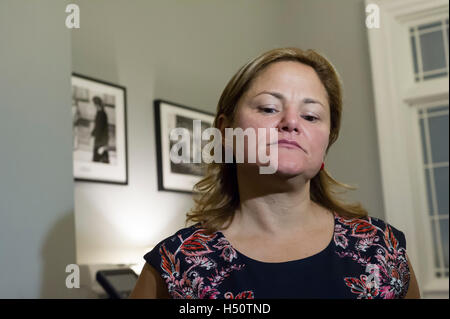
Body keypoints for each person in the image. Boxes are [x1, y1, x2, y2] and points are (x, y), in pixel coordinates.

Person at [130, 47, 420, 299]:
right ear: (225, 132)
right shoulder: (176, 264)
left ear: (326, 142)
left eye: (310, 116)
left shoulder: (382, 250)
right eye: (269, 108)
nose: (291, 122)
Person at [90, 96, 110, 163]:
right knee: (100, 159)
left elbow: (101, 128)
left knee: (99, 160)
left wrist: (103, 142)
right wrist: (92, 133)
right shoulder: (99, 113)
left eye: (93, 104)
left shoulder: (102, 114)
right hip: (99, 140)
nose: (93, 106)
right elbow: (97, 126)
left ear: (96, 104)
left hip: (101, 141)